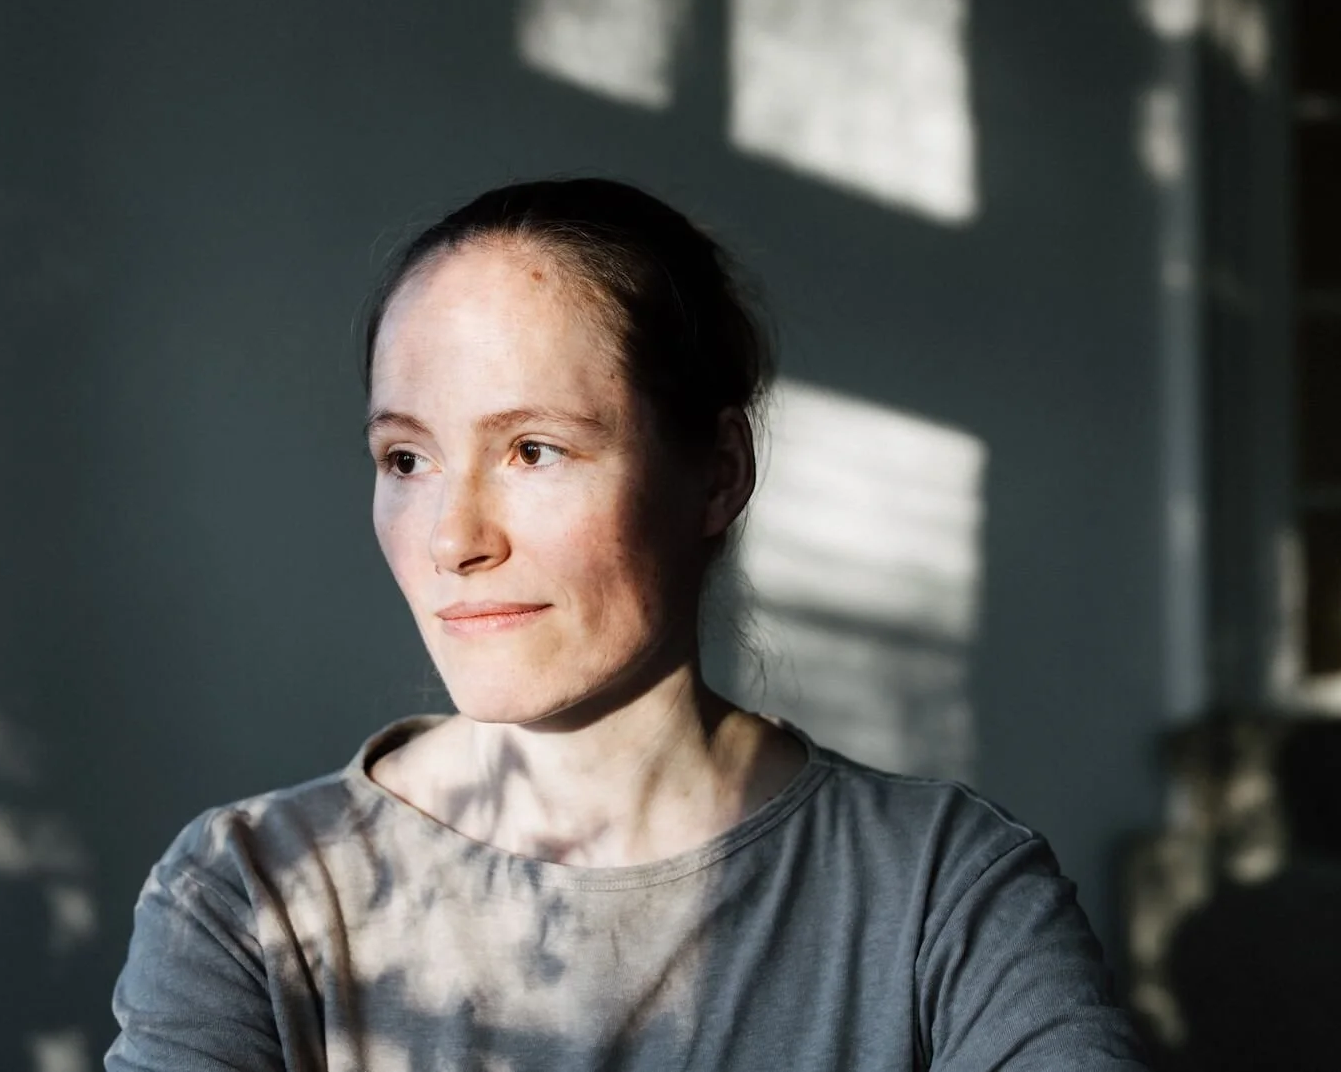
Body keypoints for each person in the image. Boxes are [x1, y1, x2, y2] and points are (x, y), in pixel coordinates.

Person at [105, 179, 1147, 1070]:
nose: (451, 540)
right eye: (406, 461)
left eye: (535, 450)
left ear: (717, 474)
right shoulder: (250, 895)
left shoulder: (943, 890)